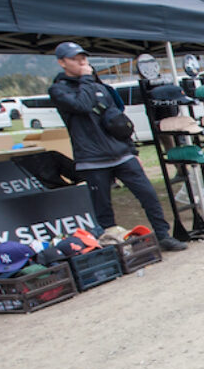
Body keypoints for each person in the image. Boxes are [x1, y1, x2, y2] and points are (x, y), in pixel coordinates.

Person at [47, 43, 187, 252]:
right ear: (62, 62)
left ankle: (163, 235)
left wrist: (132, 151)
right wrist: (87, 79)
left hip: (121, 154)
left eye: (83, 58)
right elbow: (81, 106)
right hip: (91, 159)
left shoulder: (100, 88)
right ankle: (112, 245)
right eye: (75, 59)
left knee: (148, 195)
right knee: (103, 207)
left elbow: (118, 122)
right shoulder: (59, 90)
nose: (82, 62)